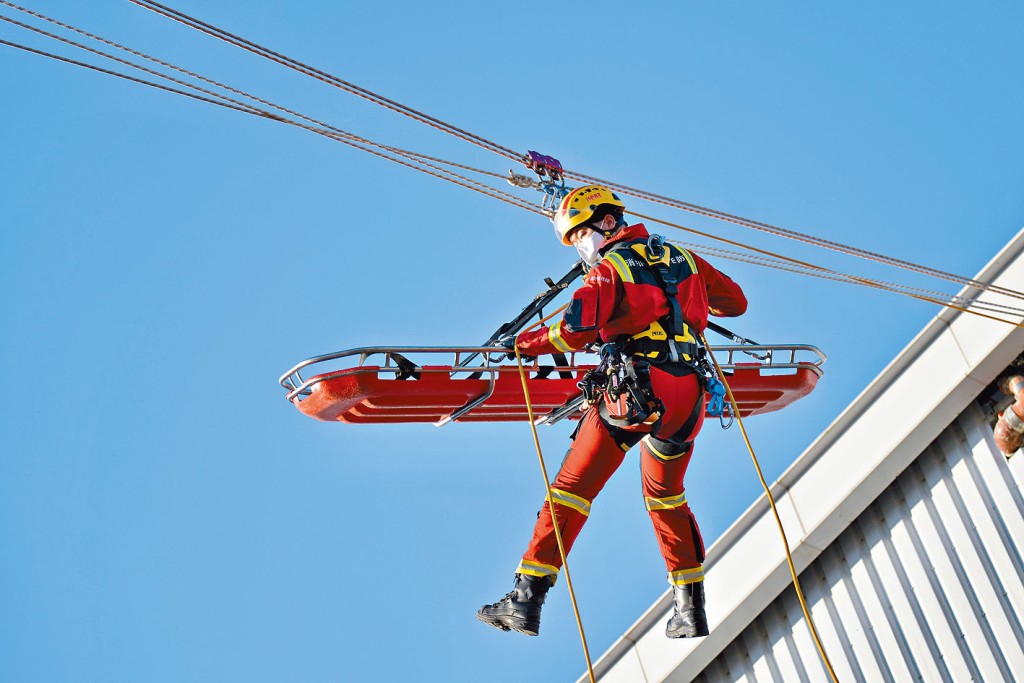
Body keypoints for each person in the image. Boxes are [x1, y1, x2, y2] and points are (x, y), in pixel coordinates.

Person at [476, 185, 747, 639]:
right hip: (687, 398)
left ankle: (525, 601)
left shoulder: (609, 269)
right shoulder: (682, 256)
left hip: (635, 395)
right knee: (666, 497)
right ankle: (690, 608)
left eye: (580, 234)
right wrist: (684, 296)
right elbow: (736, 304)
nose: (581, 246)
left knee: (569, 491)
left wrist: (521, 345)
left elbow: (573, 332)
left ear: (605, 222)